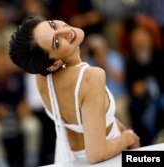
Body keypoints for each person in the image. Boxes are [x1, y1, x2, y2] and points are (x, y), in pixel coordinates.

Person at [8, 17, 140, 164]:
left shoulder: (41, 77)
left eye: (53, 25)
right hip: (109, 154)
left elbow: (90, 115)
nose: (65, 30)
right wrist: (127, 138)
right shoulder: (90, 78)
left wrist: (117, 125)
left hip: (70, 157)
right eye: (56, 43)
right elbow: (96, 154)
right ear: (53, 64)